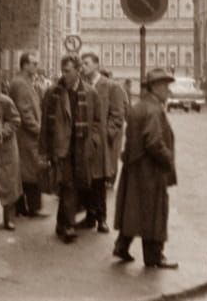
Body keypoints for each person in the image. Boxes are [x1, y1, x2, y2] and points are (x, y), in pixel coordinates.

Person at [112, 68, 178, 269]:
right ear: (155, 87)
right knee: (153, 212)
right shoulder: (154, 110)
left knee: (133, 209)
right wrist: (168, 160)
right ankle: (154, 257)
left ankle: (121, 246)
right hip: (150, 170)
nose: (168, 90)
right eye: (165, 86)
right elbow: (154, 142)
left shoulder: (139, 107)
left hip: (134, 168)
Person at [39, 55, 102, 243]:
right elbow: (45, 124)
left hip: (82, 147)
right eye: (63, 71)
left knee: (75, 185)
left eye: (68, 71)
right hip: (62, 147)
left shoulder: (90, 93)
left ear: (77, 71)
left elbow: (97, 122)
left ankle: (61, 223)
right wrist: (44, 150)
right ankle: (69, 226)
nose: (64, 74)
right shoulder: (53, 93)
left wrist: (94, 142)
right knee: (68, 185)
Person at [79, 52, 124, 233]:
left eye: (87, 63)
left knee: (99, 181)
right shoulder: (81, 85)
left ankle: (101, 219)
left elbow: (118, 115)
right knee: (86, 179)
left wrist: (107, 135)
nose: (83, 67)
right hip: (84, 141)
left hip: (101, 144)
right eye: (82, 64)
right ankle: (89, 216)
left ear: (97, 65)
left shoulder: (111, 87)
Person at [8, 53, 44, 217]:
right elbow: (24, 112)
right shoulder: (20, 84)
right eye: (34, 63)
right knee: (28, 172)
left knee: (26, 171)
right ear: (25, 65)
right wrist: (38, 129)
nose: (37, 66)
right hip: (26, 136)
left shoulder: (25, 82)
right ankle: (29, 207)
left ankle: (24, 207)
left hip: (27, 136)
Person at [0, 88, 22, 231]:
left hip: (5, 147)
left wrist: (1, 131)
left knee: (8, 183)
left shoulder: (5, 101)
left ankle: (8, 218)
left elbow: (16, 120)